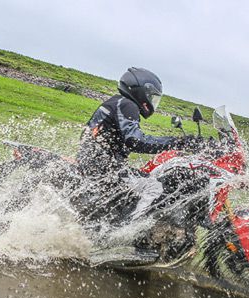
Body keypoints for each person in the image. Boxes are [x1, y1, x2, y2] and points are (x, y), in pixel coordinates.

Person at [77, 67, 191, 221]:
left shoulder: (117, 101)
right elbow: (136, 140)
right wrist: (177, 142)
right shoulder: (127, 105)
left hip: (95, 163)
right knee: (155, 187)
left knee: (141, 178)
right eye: (152, 97)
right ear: (141, 91)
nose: (152, 103)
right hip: (104, 168)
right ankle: (128, 228)